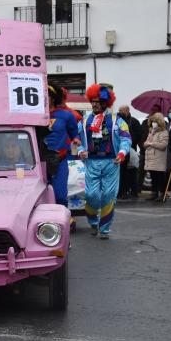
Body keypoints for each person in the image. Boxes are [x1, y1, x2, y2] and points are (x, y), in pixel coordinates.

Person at [76, 84, 131, 239]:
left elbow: (126, 138)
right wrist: (81, 151)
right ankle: (93, 221)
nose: (94, 104)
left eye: (97, 101)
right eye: (92, 101)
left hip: (111, 163)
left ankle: (105, 228)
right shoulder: (85, 120)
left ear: (105, 103)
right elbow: (76, 139)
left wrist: (122, 153)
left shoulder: (117, 120)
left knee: (108, 195)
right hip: (91, 163)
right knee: (91, 194)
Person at [37, 84, 79, 208]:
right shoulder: (34, 115)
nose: (44, 97)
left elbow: (75, 134)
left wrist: (76, 140)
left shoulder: (66, 115)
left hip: (60, 161)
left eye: (48, 95)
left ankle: (63, 221)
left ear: (53, 97)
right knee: (41, 198)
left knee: (60, 196)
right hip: (39, 163)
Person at [117, 105, 142, 199]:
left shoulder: (134, 121)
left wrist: (130, 142)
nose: (119, 112)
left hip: (130, 150)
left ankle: (131, 191)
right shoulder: (118, 121)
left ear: (127, 110)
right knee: (121, 172)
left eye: (121, 110)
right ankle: (121, 191)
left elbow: (138, 135)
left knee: (130, 172)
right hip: (119, 150)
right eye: (119, 110)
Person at [143, 113, 169, 201]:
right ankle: (154, 193)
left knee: (160, 177)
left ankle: (162, 194)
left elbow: (163, 145)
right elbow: (145, 144)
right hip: (150, 158)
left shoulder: (164, 132)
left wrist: (151, 144)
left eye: (155, 121)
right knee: (153, 177)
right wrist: (148, 143)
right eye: (152, 121)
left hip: (159, 158)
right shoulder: (151, 132)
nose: (153, 123)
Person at [138, 104, 162, 192]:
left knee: (156, 173)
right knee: (141, 171)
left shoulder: (162, 125)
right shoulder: (145, 123)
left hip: (156, 153)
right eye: (152, 110)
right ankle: (137, 189)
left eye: (155, 111)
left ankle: (156, 191)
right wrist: (142, 146)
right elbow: (140, 136)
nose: (153, 112)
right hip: (144, 151)